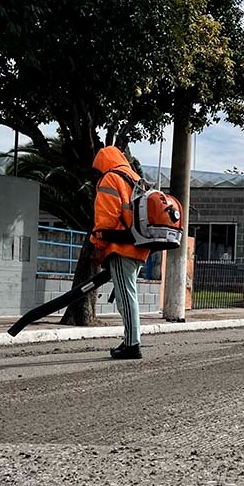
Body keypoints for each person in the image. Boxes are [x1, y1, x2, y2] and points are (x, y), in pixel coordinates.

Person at [91, 146, 151, 359]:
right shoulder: (136, 178)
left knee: (126, 297)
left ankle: (132, 345)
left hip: (120, 247)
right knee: (128, 294)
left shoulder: (111, 179)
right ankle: (130, 340)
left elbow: (106, 220)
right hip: (140, 247)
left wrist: (98, 246)